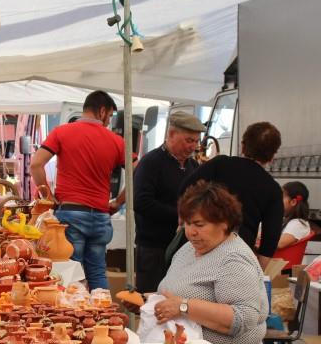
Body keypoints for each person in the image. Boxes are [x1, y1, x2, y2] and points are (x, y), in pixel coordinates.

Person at [152, 182, 269, 344]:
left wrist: (184, 306)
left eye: (199, 224)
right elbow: (175, 293)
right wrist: (151, 303)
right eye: (187, 224)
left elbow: (243, 318)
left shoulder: (234, 259)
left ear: (224, 223)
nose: (191, 232)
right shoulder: (188, 249)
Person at [30, 90, 125, 291]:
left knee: (71, 271)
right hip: (100, 215)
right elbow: (137, 172)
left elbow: (36, 164)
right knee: (97, 271)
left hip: (70, 214)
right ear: (102, 111)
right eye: (109, 117)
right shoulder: (116, 141)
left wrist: (48, 196)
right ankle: (104, 316)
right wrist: (118, 201)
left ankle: (72, 319)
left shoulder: (62, 132)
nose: (108, 123)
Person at [177, 121, 283, 268]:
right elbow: (270, 238)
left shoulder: (219, 164)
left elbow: (184, 189)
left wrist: (185, 222)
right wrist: (258, 271)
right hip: (236, 255)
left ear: (243, 146)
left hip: (197, 246)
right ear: (272, 156)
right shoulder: (273, 189)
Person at [132, 110, 204, 292]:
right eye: (189, 140)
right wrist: (179, 215)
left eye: (196, 141)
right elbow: (141, 202)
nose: (193, 146)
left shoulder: (193, 167)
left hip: (184, 248)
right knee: (151, 299)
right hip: (153, 248)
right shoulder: (150, 163)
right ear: (171, 134)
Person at [278, 181, 311, 248]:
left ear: (293, 202)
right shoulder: (288, 220)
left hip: (283, 257)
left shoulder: (298, 224)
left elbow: (279, 244)